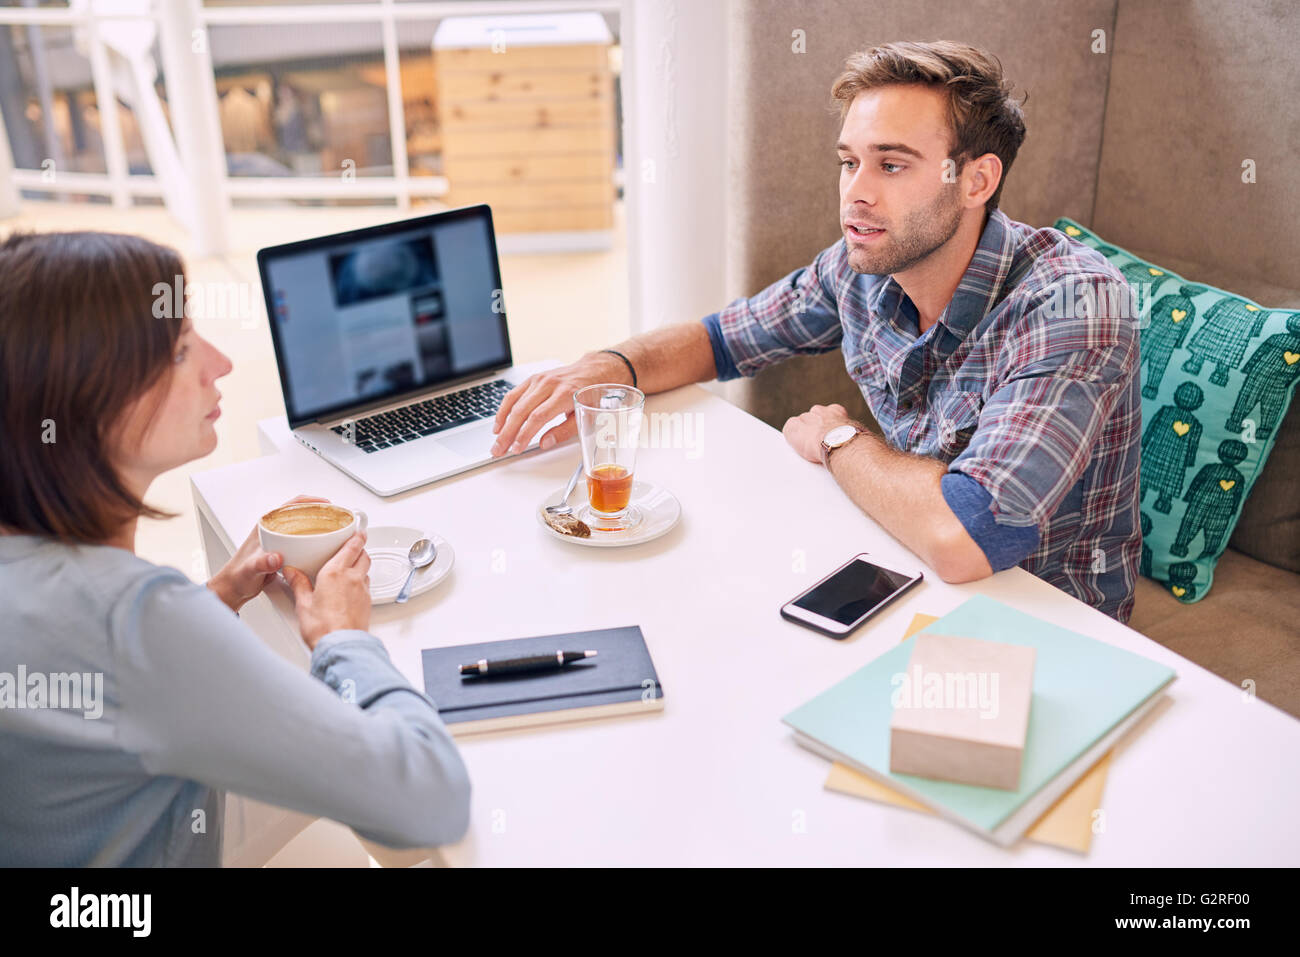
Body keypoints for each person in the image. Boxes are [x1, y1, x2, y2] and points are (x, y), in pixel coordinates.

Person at [488, 40, 1143, 622]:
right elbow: (722, 339)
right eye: (848, 162)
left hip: (1048, 624)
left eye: (891, 165)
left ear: (976, 180)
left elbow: (966, 536)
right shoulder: (864, 264)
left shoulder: (1069, 303)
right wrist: (607, 366)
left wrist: (836, 438)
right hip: (911, 566)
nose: (855, 193)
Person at [0, 231, 470, 866]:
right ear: (88, 398)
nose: (219, 363)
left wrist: (213, 599)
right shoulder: (132, 620)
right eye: (179, 349)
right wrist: (342, 638)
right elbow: (431, 804)